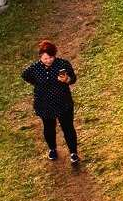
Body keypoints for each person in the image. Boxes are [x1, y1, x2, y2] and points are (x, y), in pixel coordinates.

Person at [22, 38, 80, 169]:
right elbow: (25, 75)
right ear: (40, 57)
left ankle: (73, 152)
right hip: (45, 103)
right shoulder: (35, 68)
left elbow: (73, 79)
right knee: (49, 127)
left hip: (62, 102)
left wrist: (66, 79)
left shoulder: (62, 64)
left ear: (54, 55)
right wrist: (37, 84)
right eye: (45, 58)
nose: (48, 61)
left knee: (68, 127)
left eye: (51, 58)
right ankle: (52, 149)